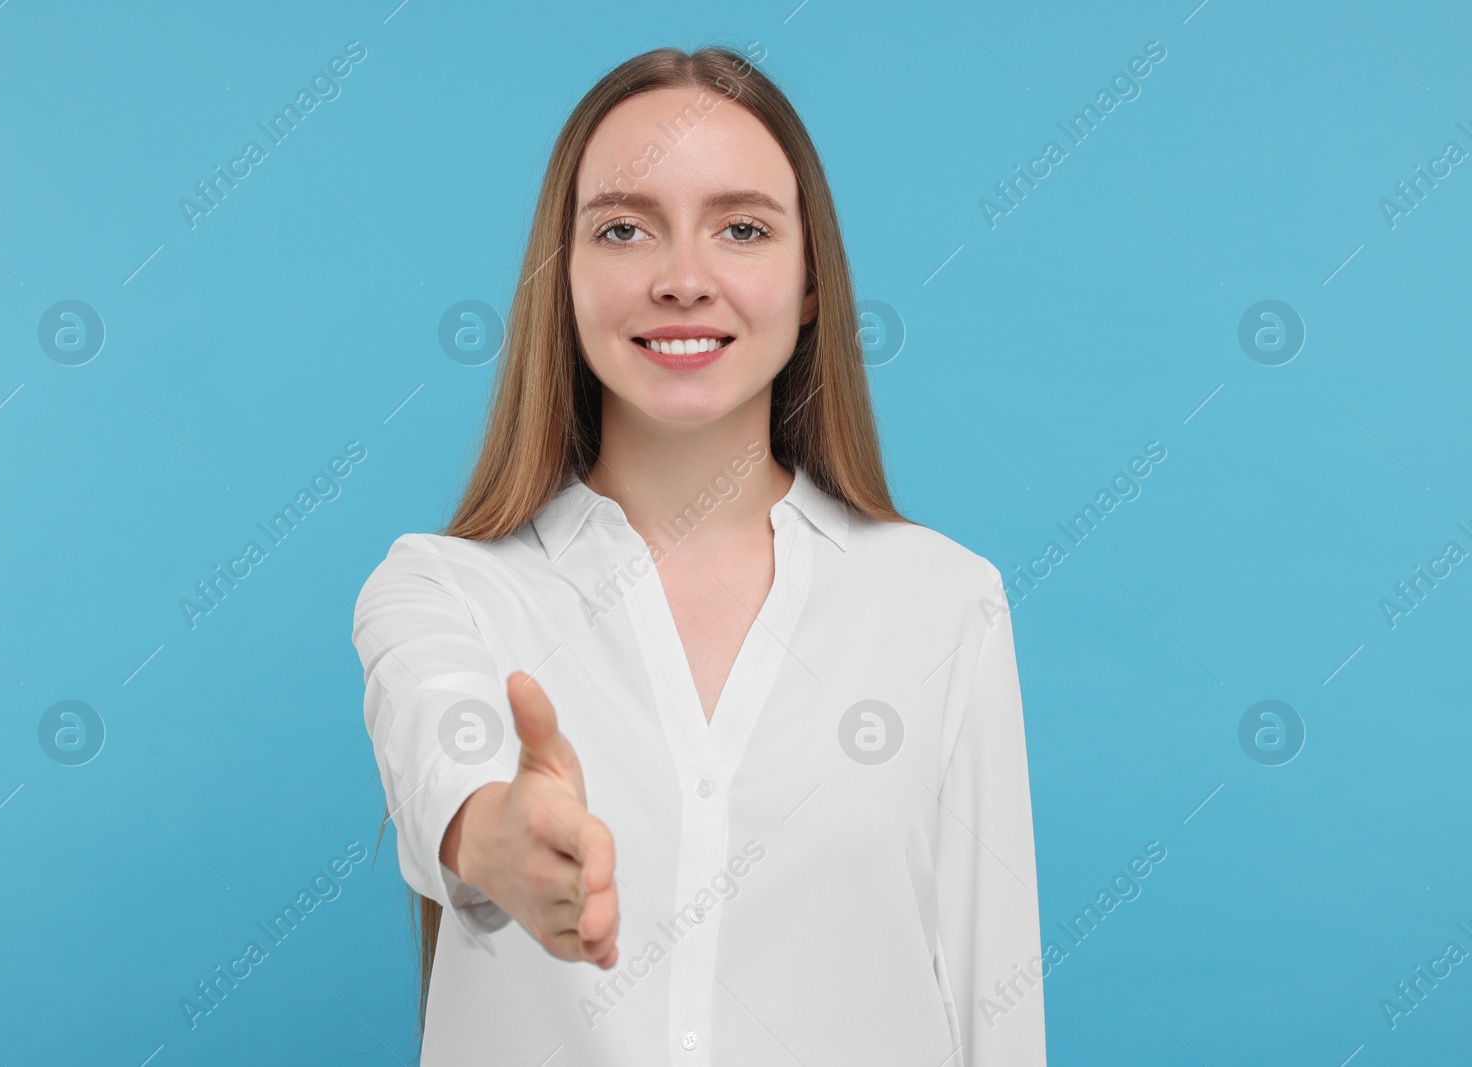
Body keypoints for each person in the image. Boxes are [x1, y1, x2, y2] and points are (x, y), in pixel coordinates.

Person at [352, 44, 1044, 1066]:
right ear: (566, 276)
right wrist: (497, 835)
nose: (682, 279)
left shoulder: (945, 604)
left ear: (811, 282)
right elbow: (439, 746)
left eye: (743, 228)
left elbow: (995, 1005)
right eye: (624, 229)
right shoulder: (443, 589)